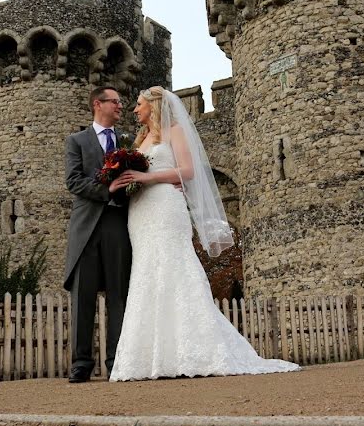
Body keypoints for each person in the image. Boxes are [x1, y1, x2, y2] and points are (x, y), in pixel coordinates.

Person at [110, 86, 299, 381]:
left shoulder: (174, 131)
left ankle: (191, 349)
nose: (135, 110)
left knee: (176, 269)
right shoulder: (141, 139)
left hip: (165, 209)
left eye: (139, 104)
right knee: (147, 274)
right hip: (140, 213)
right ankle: (150, 358)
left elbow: (187, 171)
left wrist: (149, 177)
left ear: (155, 106)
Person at [63, 86, 132, 383]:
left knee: (119, 292)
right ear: (97, 104)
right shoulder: (76, 140)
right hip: (86, 224)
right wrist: (107, 190)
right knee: (83, 294)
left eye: (120, 102)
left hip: (119, 222)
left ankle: (116, 360)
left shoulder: (129, 141)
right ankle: (81, 362)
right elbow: (73, 181)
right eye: (114, 101)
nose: (120, 106)